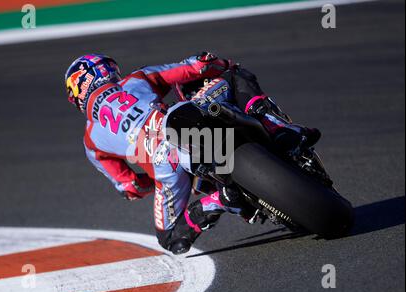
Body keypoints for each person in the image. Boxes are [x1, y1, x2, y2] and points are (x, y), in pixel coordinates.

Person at [64, 52, 320, 254]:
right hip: (182, 123)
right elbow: (194, 67)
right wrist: (219, 64)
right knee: (234, 74)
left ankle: (219, 200)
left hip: (166, 165)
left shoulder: (90, 141)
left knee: (170, 238)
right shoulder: (135, 80)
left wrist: (152, 180)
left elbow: (130, 187)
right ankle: (281, 129)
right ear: (105, 71)